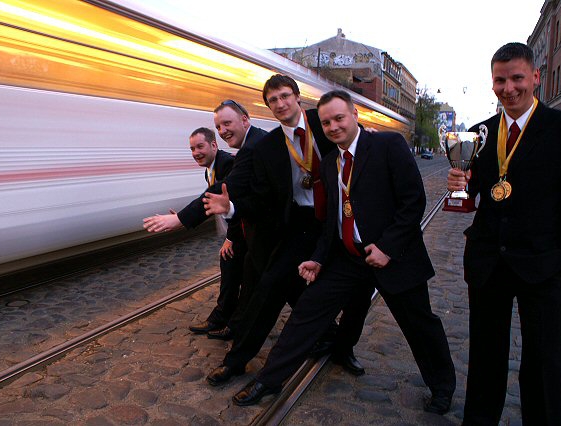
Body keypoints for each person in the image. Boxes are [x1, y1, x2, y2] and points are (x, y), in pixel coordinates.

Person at [229, 90, 456, 413]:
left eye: (339, 118)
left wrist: (387, 248)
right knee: (306, 313)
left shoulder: (387, 145)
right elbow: (331, 221)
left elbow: (413, 201)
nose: (333, 127)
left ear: (354, 116)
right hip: (348, 258)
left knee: (420, 325)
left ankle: (442, 388)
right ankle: (269, 380)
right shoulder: (329, 164)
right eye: (326, 123)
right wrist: (318, 257)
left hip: (394, 257)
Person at [447, 42, 561, 425]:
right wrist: (459, 186)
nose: (509, 88)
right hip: (489, 265)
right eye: (500, 80)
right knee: (484, 362)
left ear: (535, 77)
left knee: (546, 366)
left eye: (517, 78)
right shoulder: (479, 134)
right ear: (492, 83)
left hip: (546, 267)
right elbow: (473, 197)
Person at [203, 76, 372, 387]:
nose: (280, 104)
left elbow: (354, 139)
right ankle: (235, 361)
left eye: (284, 96)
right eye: (273, 100)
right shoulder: (268, 145)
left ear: (297, 97)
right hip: (301, 224)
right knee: (268, 289)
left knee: (358, 295)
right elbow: (261, 197)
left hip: (343, 219)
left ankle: (343, 349)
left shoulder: (323, 123)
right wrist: (231, 207)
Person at [143, 101, 267, 339]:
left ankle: (230, 323)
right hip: (245, 230)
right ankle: (228, 321)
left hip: (253, 231)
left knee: (259, 281)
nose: (196, 153)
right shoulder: (211, 168)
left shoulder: (231, 161)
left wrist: (182, 219)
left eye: (200, 146)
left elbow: (229, 196)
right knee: (242, 276)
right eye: (192, 149)